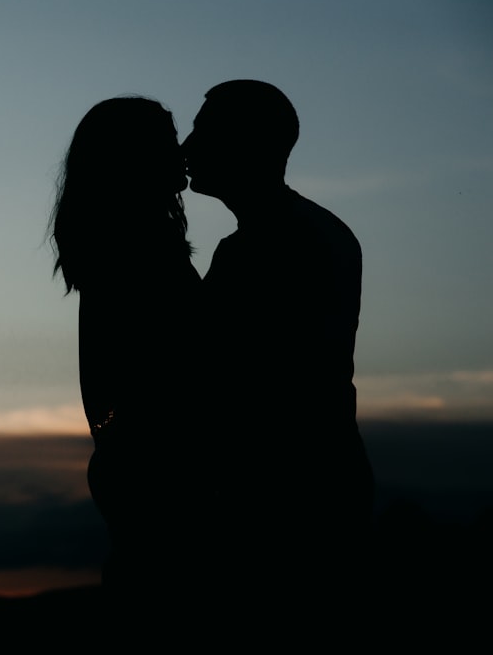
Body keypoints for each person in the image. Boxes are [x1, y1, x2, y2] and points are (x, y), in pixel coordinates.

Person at [181, 80, 375, 619]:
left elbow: (226, 377)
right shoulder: (308, 233)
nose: (186, 149)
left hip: (286, 501)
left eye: (202, 132)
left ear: (247, 143)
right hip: (309, 487)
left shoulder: (273, 245)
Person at [48, 96, 211, 619]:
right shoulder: (136, 248)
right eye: (168, 142)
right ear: (134, 159)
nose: (183, 151)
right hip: (161, 472)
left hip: (137, 465)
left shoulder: (123, 242)